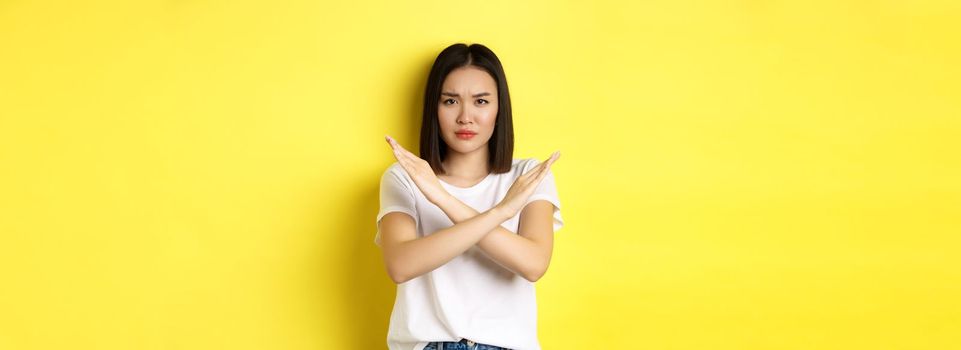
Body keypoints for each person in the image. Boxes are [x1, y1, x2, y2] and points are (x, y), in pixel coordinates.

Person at [376, 43, 563, 350]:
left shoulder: (527, 176)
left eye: (481, 101)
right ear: (434, 109)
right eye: (450, 101)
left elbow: (533, 264)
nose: (465, 117)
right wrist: (499, 213)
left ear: (499, 108)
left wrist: (445, 200)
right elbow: (400, 265)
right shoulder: (405, 178)